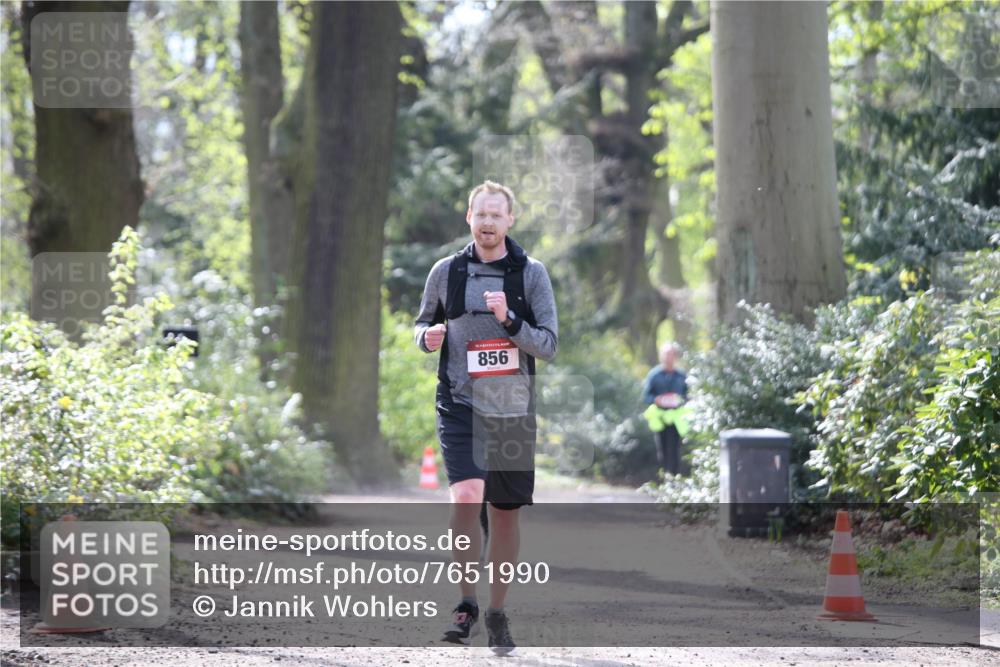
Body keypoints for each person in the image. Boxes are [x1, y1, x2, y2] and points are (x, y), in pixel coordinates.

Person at [413, 180, 558, 655]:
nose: (489, 222)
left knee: (504, 513)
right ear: (469, 218)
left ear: (509, 220)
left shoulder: (530, 274)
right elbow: (422, 323)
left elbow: (550, 345)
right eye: (482, 214)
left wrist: (511, 322)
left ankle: (497, 611)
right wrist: (428, 338)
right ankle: (466, 604)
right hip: (460, 402)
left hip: (513, 408)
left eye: (497, 214)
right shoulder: (447, 272)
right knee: (466, 497)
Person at [641, 342, 688, 475]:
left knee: (675, 448)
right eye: (667, 354)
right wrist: (657, 400)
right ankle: (665, 475)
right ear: (662, 356)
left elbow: (687, 395)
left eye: (672, 354)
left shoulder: (682, 376)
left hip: (677, 418)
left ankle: (674, 477)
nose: (669, 357)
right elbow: (646, 396)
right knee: (662, 449)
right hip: (659, 417)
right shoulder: (654, 375)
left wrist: (679, 400)